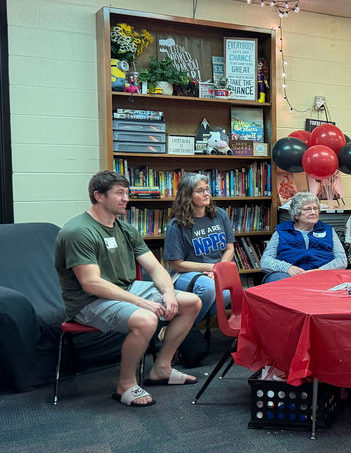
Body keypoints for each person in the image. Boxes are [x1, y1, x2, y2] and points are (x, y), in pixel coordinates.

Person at [54, 171, 202, 407]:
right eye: (119, 193)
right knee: (146, 319)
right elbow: (91, 283)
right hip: (89, 301)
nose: (126, 199)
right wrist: (142, 302)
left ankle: (162, 368)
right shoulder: (78, 231)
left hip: (126, 289)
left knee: (191, 302)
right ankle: (126, 384)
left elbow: (156, 268)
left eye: (127, 193)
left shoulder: (126, 229)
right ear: (99, 196)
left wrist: (169, 294)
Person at [163, 172, 235, 328]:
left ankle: (184, 329)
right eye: (200, 190)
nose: (206, 193)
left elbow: (230, 248)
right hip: (184, 274)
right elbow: (176, 264)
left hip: (215, 271)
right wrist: (211, 268)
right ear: (187, 195)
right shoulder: (176, 225)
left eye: (207, 189)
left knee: (228, 294)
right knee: (208, 288)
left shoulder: (220, 215)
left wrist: (219, 269)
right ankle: (182, 331)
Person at [260, 192, 348, 282]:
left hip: (322, 274)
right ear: (296, 215)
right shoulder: (282, 231)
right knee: (280, 280)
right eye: (307, 209)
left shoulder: (328, 230)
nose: (313, 212)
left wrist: (320, 271)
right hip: (288, 275)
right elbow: (265, 261)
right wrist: (288, 268)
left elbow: (342, 260)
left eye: (315, 208)